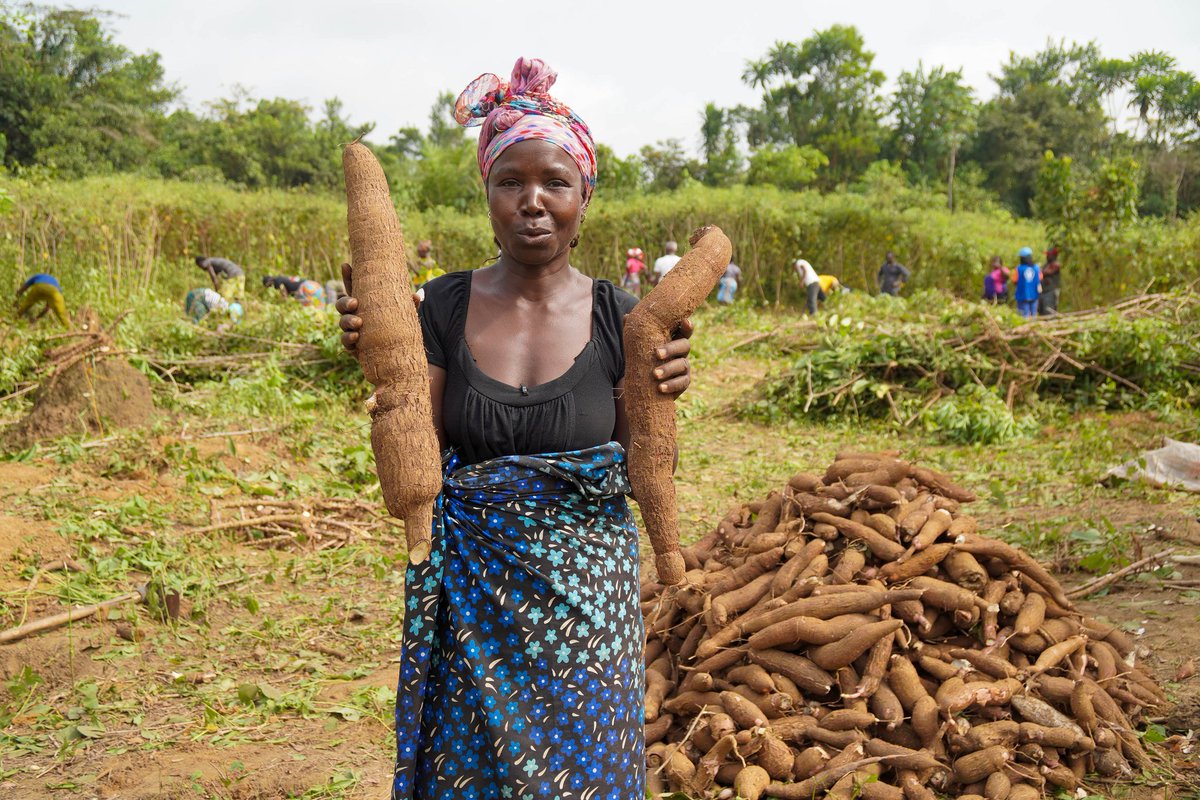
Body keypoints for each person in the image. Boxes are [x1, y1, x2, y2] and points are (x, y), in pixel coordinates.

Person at [336, 57, 691, 800]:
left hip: (588, 610)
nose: (533, 201)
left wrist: (662, 389)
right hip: (473, 597)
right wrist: (380, 350)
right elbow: (417, 432)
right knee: (471, 773)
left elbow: (642, 467)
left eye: (555, 182)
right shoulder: (440, 306)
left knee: (588, 774)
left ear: (585, 195)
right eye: (510, 182)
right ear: (487, 193)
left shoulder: (622, 318)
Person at [1013, 246, 1041, 319]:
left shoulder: (1018, 269)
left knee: (1023, 316)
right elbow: (1040, 278)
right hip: (1034, 295)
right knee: (1034, 315)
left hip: (1022, 296)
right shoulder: (1036, 268)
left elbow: (1014, 281)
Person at [1040, 246, 1062, 315]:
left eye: (1049, 255)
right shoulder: (1046, 265)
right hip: (1044, 291)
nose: (1047, 256)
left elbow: (1046, 272)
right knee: (1042, 311)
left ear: (1054, 255)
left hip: (1051, 292)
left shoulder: (1056, 265)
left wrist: (1040, 272)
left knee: (1049, 311)